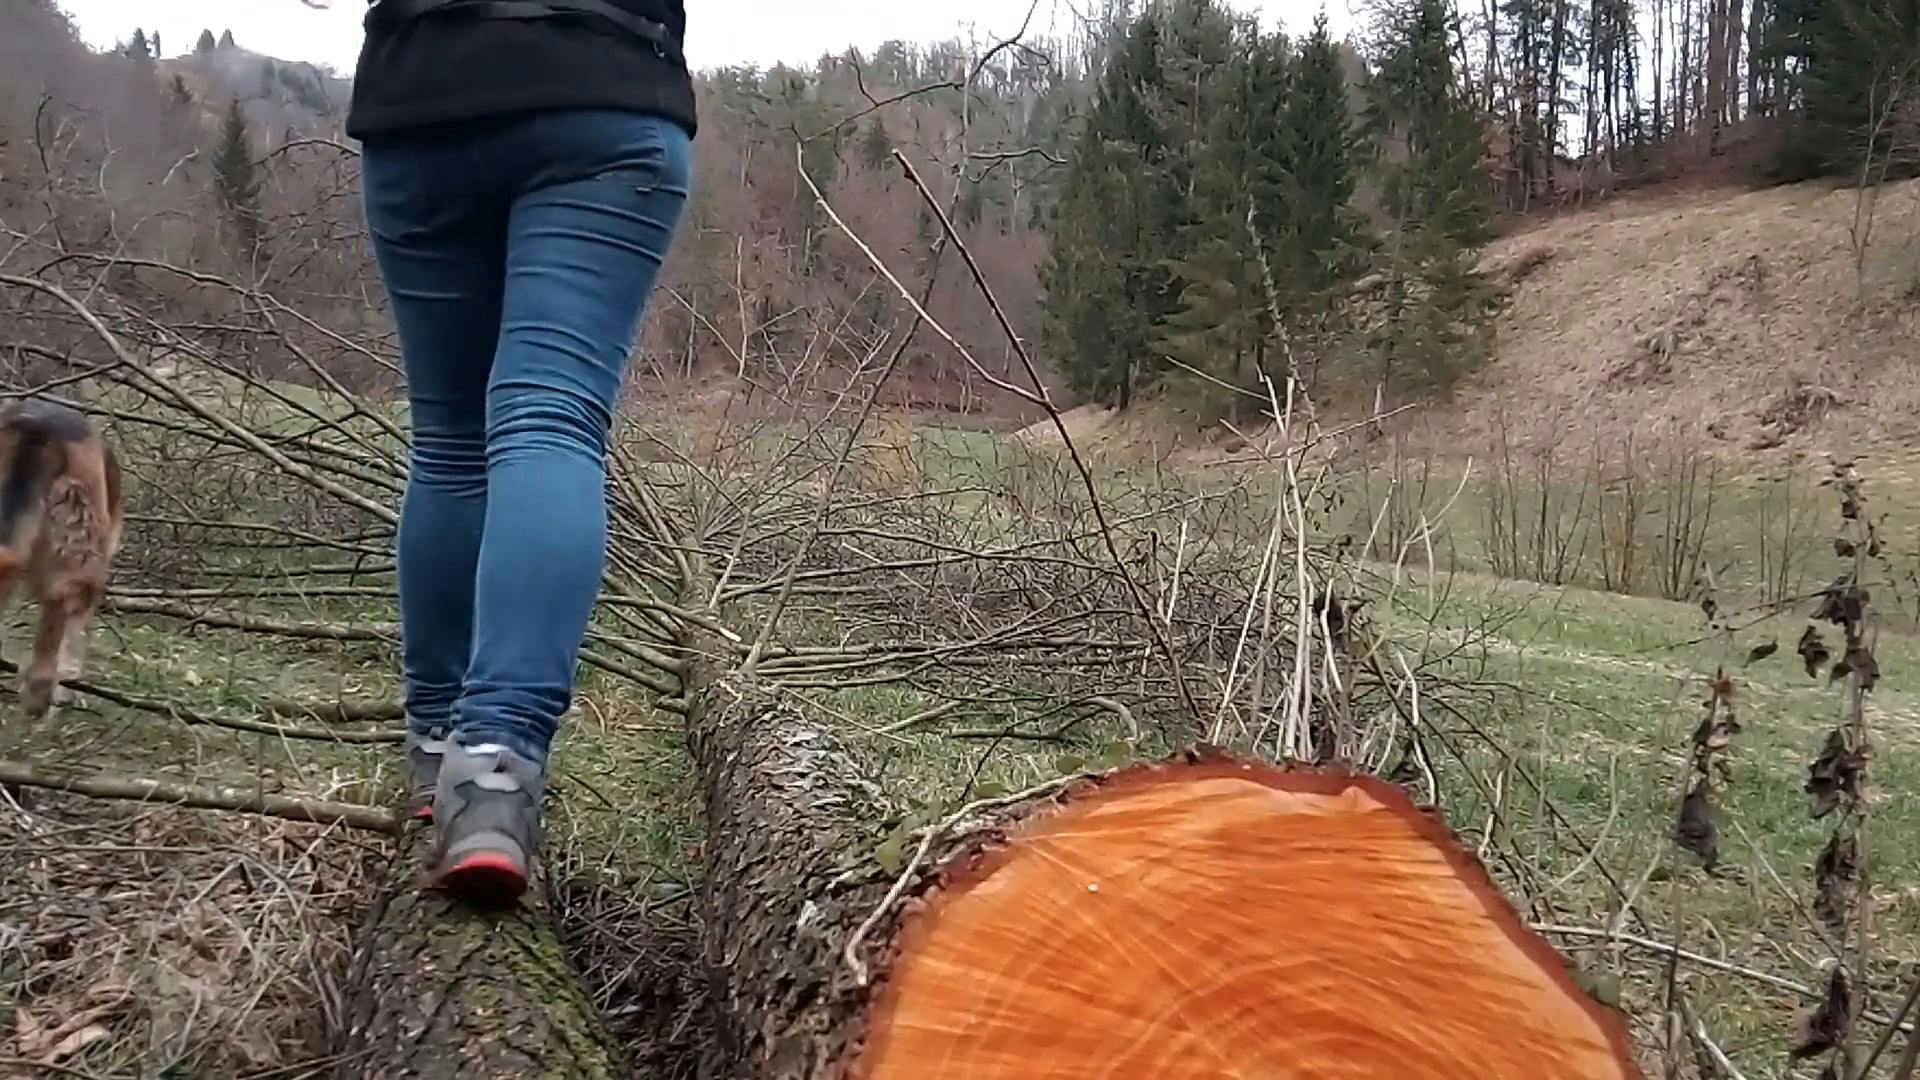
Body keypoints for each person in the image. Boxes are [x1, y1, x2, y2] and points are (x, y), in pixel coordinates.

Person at [347, 0, 695, 899]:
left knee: (453, 438)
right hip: (603, 86)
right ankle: (495, 772)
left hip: (425, 90)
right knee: (549, 417)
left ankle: (434, 754)